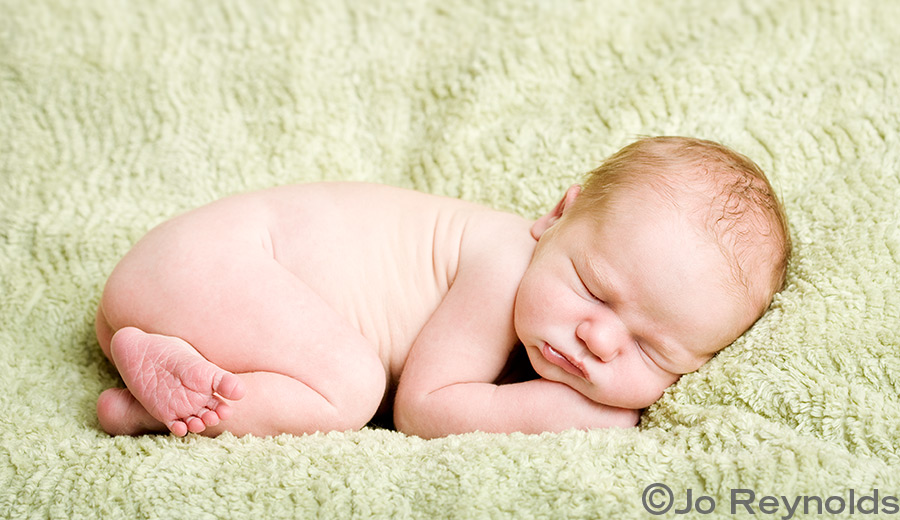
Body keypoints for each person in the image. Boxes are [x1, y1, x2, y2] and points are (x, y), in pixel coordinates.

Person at [94, 136, 791, 439]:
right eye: (593, 291)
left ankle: (178, 359)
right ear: (555, 218)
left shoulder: (547, 284)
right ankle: (152, 409)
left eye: (654, 351)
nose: (600, 338)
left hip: (193, 282)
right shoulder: (505, 263)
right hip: (212, 263)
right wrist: (566, 413)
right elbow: (426, 409)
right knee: (350, 385)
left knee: (340, 371)